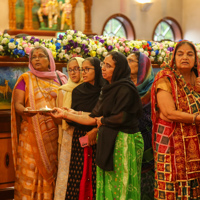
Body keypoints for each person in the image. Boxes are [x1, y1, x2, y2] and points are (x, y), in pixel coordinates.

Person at [51, 51, 144, 199]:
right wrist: (66, 114)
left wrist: (103, 121)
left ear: (119, 68)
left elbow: (122, 117)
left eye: (108, 65)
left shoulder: (126, 88)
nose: (104, 68)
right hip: (108, 141)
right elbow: (93, 117)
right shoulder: (108, 88)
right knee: (108, 186)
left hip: (125, 142)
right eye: (103, 65)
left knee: (122, 186)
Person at [11, 46, 67, 200]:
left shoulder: (61, 79)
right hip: (31, 133)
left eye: (40, 56)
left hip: (55, 133)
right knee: (32, 167)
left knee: (52, 168)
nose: (36, 59)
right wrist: (26, 111)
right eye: (33, 57)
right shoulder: (26, 78)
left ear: (49, 60)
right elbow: (18, 105)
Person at [151, 40, 200, 199]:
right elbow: (169, 113)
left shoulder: (197, 78)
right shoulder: (165, 78)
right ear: (174, 58)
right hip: (170, 141)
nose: (185, 57)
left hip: (195, 142)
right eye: (180, 54)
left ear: (195, 59)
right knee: (171, 184)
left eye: (189, 54)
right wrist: (196, 118)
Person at [54, 57, 84, 200]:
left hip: (85, 134)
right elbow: (59, 121)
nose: (72, 73)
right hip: (68, 135)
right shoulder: (63, 91)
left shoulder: (90, 89)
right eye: (70, 69)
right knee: (66, 173)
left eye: (76, 68)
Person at [127, 52, 154, 200]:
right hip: (126, 139)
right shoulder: (123, 85)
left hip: (149, 141)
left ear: (142, 66)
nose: (127, 63)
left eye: (131, 61)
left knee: (145, 189)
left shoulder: (153, 88)